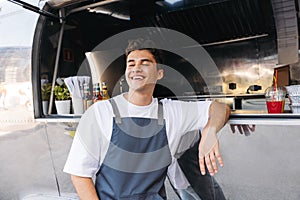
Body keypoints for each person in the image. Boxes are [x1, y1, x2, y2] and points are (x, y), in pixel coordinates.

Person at [63, 38, 230, 199]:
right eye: (131, 63)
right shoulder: (100, 113)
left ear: (159, 74)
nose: (136, 68)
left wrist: (210, 131)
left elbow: (220, 108)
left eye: (145, 63)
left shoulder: (172, 112)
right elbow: (80, 175)